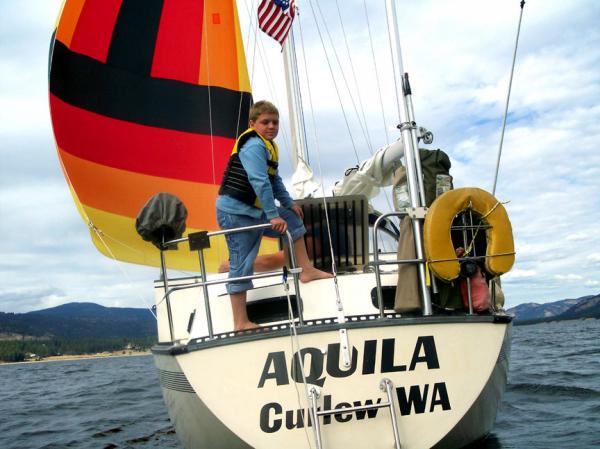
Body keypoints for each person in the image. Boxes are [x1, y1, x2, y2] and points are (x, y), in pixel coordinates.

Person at [216, 100, 332, 331]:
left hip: (253, 211)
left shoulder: (269, 146)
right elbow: (258, 181)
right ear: (252, 123)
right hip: (235, 212)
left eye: (275, 122)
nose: (271, 126)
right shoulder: (253, 146)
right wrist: (272, 215)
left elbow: (274, 179)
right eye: (265, 122)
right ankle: (240, 322)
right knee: (242, 263)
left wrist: (288, 204)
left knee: (293, 220)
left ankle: (306, 270)